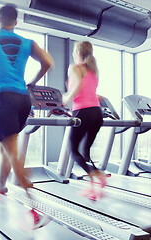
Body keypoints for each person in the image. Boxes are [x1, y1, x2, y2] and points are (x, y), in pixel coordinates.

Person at [0, 3, 53, 195]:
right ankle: (1, 184)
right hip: (23, 100)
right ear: (16, 22)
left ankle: (25, 181)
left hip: (3, 97)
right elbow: (48, 63)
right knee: (7, 144)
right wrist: (32, 83)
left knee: (10, 148)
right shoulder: (28, 42)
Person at [62, 41, 107, 200]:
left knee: (73, 150)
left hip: (83, 111)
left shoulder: (74, 68)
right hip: (97, 113)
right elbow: (91, 91)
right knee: (85, 152)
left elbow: (78, 86)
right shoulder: (94, 71)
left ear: (76, 52)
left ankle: (96, 176)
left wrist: (66, 98)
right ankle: (95, 186)